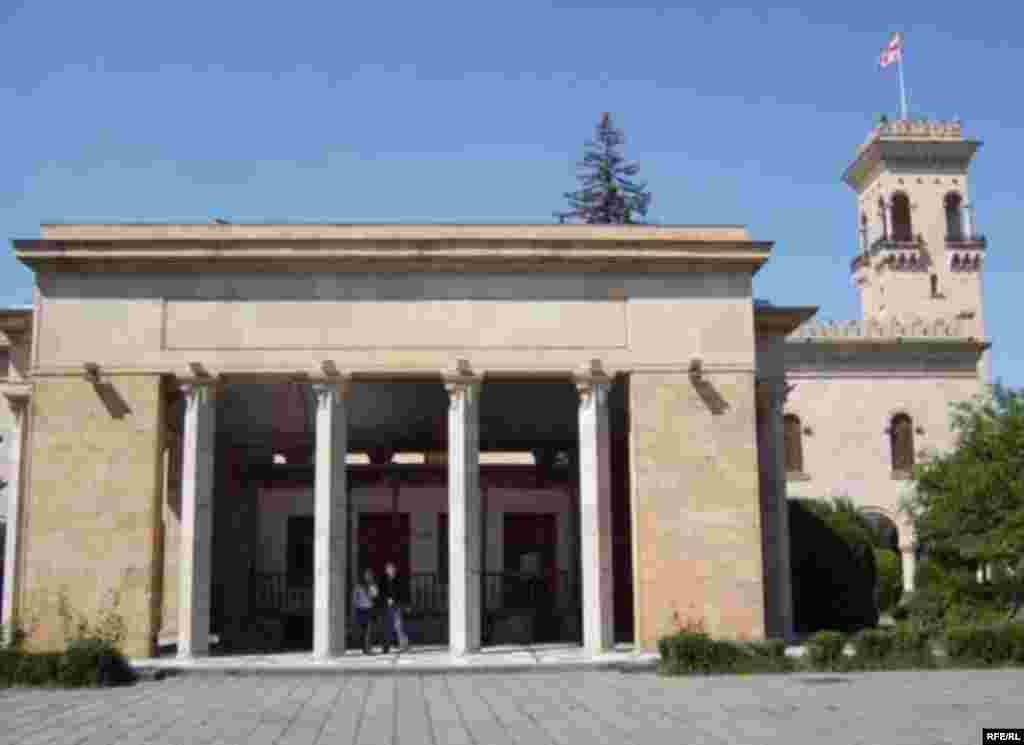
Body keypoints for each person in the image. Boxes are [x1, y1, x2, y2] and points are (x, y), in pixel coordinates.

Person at [380, 560, 410, 653]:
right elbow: (381, 593)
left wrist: (407, 604)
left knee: (398, 626)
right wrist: (386, 599)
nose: (391, 570)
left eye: (392, 568)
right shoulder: (383, 580)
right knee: (386, 627)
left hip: (397, 605)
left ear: (395, 570)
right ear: (386, 570)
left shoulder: (400, 579)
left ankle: (403, 646)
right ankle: (386, 647)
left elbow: (405, 592)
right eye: (389, 569)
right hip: (387, 606)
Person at [351, 568, 378, 654]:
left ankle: (368, 649)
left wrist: (372, 587)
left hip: (369, 610)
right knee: (363, 630)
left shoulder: (373, 585)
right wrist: (355, 609)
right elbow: (354, 598)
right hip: (361, 610)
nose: (369, 576)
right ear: (364, 576)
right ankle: (365, 648)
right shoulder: (358, 585)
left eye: (370, 575)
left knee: (369, 630)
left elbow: (375, 595)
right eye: (367, 575)